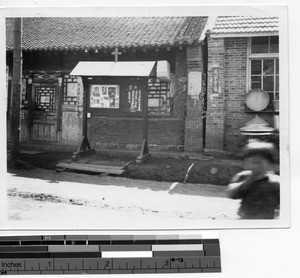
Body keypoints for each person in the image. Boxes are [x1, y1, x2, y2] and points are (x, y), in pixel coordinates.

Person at [227, 139, 280, 219]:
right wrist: (247, 183)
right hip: (245, 220)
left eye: (259, 163)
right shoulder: (243, 176)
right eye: (252, 162)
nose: (255, 166)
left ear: (270, 164)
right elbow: (231, 194)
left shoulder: (276, 183)